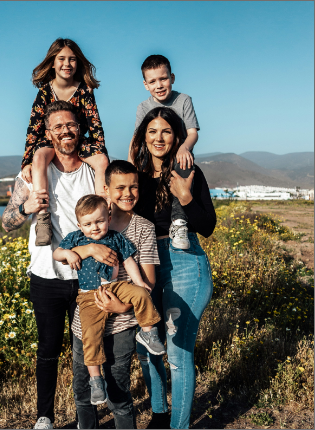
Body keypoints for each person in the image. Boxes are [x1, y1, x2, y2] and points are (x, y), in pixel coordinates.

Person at [2, 101, 125, 430]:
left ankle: (90, 417)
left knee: (91, 347)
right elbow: (6, 222)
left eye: (70, 125)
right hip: (47, 276)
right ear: (48, 133)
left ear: (80, 129)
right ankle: (45, 416)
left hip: (89, 278)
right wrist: (26, 207)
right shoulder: (32, 175)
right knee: (47, 350)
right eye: (57, 126)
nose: (65, 131)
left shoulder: (94, 173)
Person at [130, 106, 216, 429]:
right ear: (143, 137)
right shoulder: (135, 177)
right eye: (152, 131)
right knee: (147, 345)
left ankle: (179, 426)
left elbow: (207, 225)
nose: (159, 138)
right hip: (145, 261)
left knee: (178, 353)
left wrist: (186, 197)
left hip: (185, 262)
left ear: (177, 136)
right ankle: (159, 413)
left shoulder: (188, 171)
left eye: (166, 131)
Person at [68, 160, 161, 429]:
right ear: (107, 189)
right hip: (85, 322)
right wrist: (90, 250)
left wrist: (121, 307)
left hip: (122, 323)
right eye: (120, 187)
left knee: (118, 394)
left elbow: (148, 281)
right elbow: (65, 253)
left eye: (134, 187)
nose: (127, 193)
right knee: (82, 391)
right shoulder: (91, 220)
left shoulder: (144, 228)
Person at [53, 194, 164, 406]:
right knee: (90, 335)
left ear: (108, 218)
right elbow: (57, 253)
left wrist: (139, 282)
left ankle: (148, 333)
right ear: (79, 225)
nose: (94, 227)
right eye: (88, 224)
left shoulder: (115, 238)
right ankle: (96, 380)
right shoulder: (76, 239)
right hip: (89, 295)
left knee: (142, 294)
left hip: (116, 286)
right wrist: (69, 255)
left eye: (99, 221)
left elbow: (128, 261)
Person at [21, 38, 109, 247]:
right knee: (39, 157)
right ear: (52, 63)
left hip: (79, 140)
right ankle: (43, 218)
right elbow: (33, 129)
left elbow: (95, 125)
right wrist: (26, 162)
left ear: (78, 63)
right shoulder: (44, 92)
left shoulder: (85, 90)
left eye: (72, 59)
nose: (67, 64)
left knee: (102, 161)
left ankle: (104, 210)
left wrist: (100, 152)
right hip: (49, 141)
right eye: (61, 59)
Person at [128, 54, 200, 250]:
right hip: (152, 159)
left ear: (172, 78)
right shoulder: (143, 107)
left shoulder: (183, 100)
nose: (159, 85)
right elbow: (136, 139)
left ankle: (179, 224)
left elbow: (193, 133)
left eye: (163, 79)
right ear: (145, 85)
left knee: (183, 168)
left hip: (178, 157)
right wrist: (130, 165)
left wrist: (185, 147)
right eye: (152, 81)